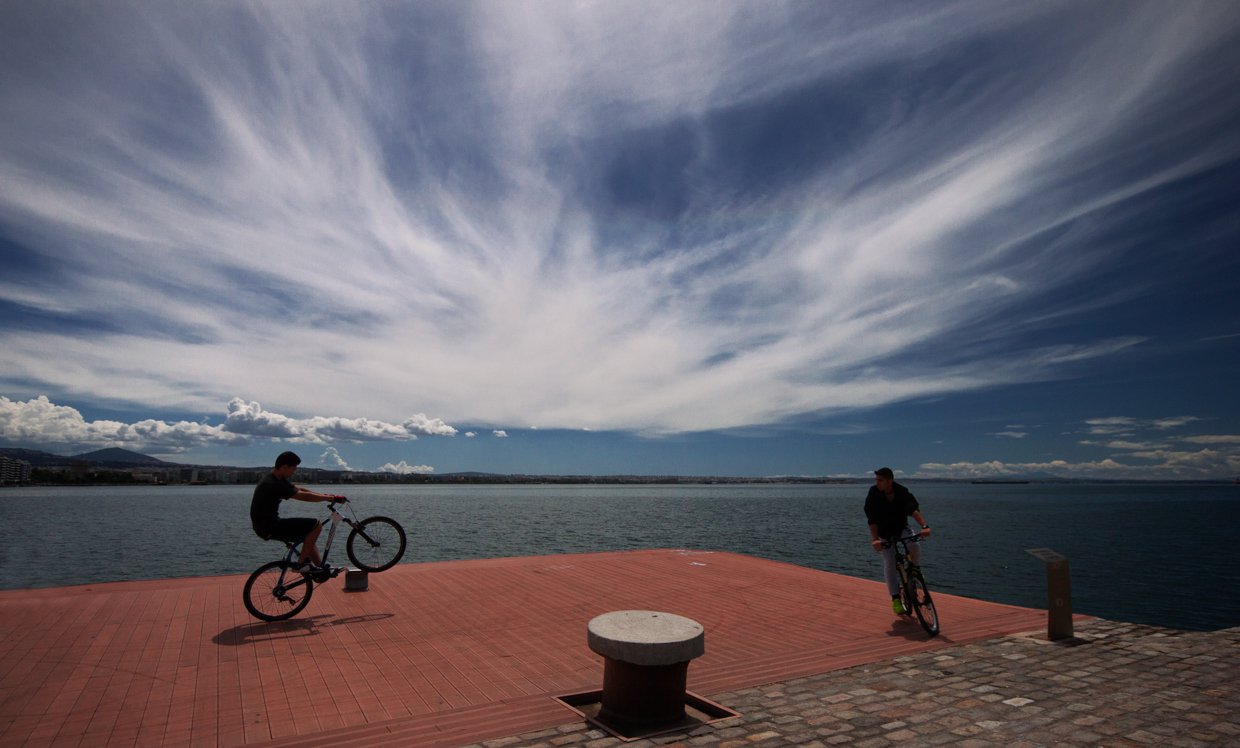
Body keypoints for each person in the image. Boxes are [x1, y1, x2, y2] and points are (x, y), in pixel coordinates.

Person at [250, 451, 344, 573]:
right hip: (270, 527)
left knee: (308, 535)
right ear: (285, 467)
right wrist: (332, 498)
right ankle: (301, 565)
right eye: (293, 469)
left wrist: (325, 496)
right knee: (316, 524)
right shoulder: (273, 484)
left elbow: (300, 490)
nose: (293, 473)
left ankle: (320, 568)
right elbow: (306, 497)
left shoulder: (276, 478)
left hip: (267, 525)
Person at [864, 467, 930, 615]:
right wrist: (875, 539)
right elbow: (872, 519)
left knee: (914, 546)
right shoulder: (874, 494)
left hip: (901, 527)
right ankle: (895, 598)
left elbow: (913, 510)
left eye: (880, 480)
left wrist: (924, 526)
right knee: (889, 561)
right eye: (876, 480)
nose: (877, 483)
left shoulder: (901, 491)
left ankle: (915, 567)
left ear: (890, 481)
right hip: (884, 533)